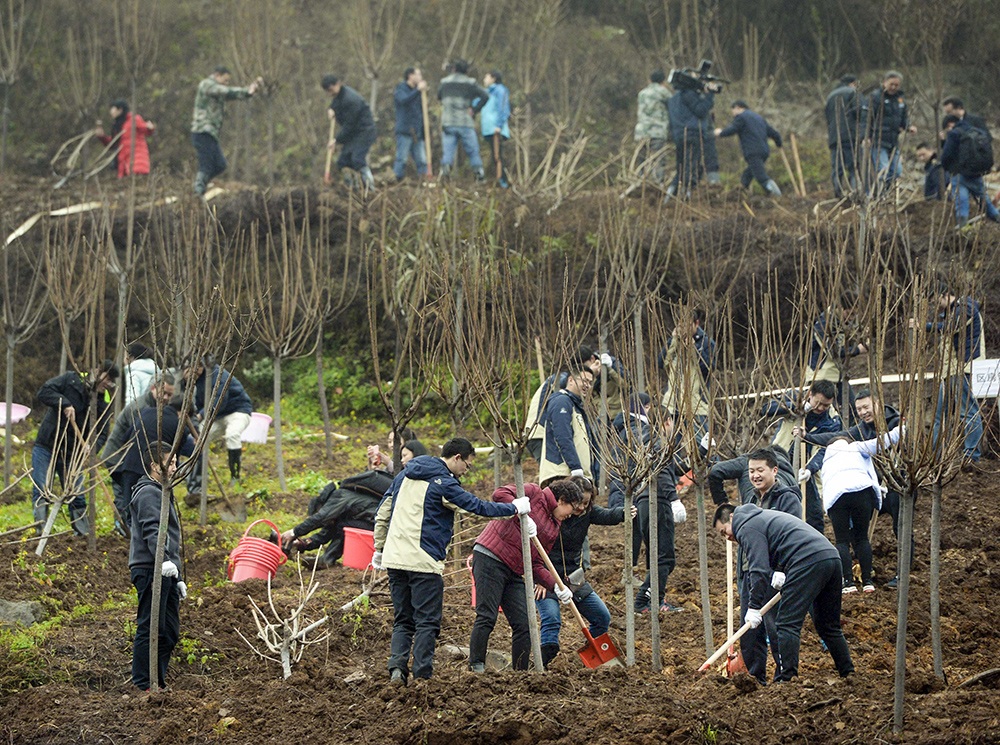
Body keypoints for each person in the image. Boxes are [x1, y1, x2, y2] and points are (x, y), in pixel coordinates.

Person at [373, 437, 530, 686]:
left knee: (403, 619)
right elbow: (476, 506)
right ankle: (422, 675)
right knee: (427, 621)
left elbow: (383, 512)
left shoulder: (403, 476)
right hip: (423, 561)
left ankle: (397, 670)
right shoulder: (443, 483)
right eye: (467, 465)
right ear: (457, 458)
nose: (466, 471)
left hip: (394, 559)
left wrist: (379, 549)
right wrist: (513, 509)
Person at [713, 503, 854, 682]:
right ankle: (848, 673)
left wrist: (754, 606)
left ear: (732, 517)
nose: (728, 537)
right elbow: (783, 541)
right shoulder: (762, 517)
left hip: (806, 560)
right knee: (828, 625)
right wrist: (779, 569)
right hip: (831, 557)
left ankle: (787, 680)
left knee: (787, 623)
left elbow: (759, 569)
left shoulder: (745, 526)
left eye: (724, 531)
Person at [467, 478, 584, 672]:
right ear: (562, 500)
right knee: (487, 615)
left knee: (525, 624)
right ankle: (476, 666)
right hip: (490, 557)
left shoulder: (554, 526)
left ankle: (520, 673)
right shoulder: (533, 492)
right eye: (571, 508)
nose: (570, 515)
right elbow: (499, 494)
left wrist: (554, 585)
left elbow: (536, 562)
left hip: (514, 570)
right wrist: (518, 508)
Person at [799, 389, 908, 588]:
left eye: (866, 407)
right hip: (872, 487)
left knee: (900, 528)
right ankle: (864, 574)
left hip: (900, 484)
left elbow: (891, 440)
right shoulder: (858, 434)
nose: (863, 412)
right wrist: (809, 437)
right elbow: (838, 437)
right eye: (859, 409)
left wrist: (904, 430)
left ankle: (902, 574)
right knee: (858, 531)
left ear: (878, 403)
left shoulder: (896, 422)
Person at [535, 475, 631, 668]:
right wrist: (539, 578)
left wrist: (625, 511)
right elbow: (532, 546)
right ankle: (545, 666)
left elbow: (607, 515)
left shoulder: (587, 513)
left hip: (573, 578)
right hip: (545, 576)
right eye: (578, 503)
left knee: (602, 617)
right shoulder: (551, 514)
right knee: (552, 620)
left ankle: (590, 658)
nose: (580, 508)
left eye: (586, 503)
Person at [608, 395, 686, 614]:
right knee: (664, 557)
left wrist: (703, 450)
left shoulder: (645, 440)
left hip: (644, 502)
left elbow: (673, 468)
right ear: (667, 422)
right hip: (657, 502)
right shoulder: (658, 442)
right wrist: (674, 499)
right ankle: (647, 601)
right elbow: (660, 474)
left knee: (656, 555)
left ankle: (651, 600)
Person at [31, 361, 119, 535]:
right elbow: (44, 392)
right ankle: (40, 530)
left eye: (110, 381)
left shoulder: (103, 402)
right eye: (106, 377)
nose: (107, 383)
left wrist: (91, 446)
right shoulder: (71, 380)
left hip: (73, 454)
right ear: (96, 370)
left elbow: (101, 433)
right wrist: (63, 403)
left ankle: (82, 532)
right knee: (41, 488)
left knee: (76, 494)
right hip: (47, 445)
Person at [128, 441, 185, 691]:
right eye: (170, 463)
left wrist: (178, 574)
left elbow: (168, 536)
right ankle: (144, 683)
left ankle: (158, 681)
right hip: (150, 568)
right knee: (151, 627)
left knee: (169, 631)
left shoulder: (162, 491)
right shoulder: (148, 493)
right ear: (154, 465)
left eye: (175, 462)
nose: (174, 467)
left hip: (165, 567)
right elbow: (154, 530)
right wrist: (162, 561)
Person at [821, 426, 903, 595]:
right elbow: (881, 442)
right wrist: (901, 429)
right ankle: (867, 581)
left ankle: (848, 582)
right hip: (862, 492)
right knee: (862, 538)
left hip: (837, 496)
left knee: (842, 541)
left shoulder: (827, 461)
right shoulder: (856, 447)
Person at [910, 284, 985, 463]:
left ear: (944, 295)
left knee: (967, 413)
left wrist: (924, 325)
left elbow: (951, 327)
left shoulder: (966, 307)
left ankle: (971, 457)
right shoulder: (952, 312)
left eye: (936, 299)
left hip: (962, 368)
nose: (935, 304)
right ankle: (936, 456)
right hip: (948, 372)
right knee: (938, 415)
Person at [102, 372, 177, 535]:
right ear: (152, 388)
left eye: (169, 395)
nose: (165, 398)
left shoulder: (157, 407)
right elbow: (137, 440)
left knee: (133, 492)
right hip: (118, 456)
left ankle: (129, 528)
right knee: (125, 494)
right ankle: (124, 528)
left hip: (132, 456)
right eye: (163, 393)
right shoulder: (140, 407)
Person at [763, 380, 841, 532]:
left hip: (806, 466)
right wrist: (797, 408)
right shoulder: (794, 398)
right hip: (780, 459)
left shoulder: (832, 419)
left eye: (825, 405)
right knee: (777, 505)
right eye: (817, 403)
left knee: (814, 514)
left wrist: (810, 469)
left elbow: (825, 447)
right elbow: (766, 409)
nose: (820, 408)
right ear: (810, 394)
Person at [280, 467, 396, 568]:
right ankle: (325, 559)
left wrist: (294, 532)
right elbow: (326, 532)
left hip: (383, 525)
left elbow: (320, 518)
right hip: (377, 523)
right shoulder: (342, 503)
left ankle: (327, 559)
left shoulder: (340, 496)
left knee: (343, 526)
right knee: (340, 524)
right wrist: (303, 543)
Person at [190, 65, 262, 196]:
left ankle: (200, 184)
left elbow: (234, 94)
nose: (227, 83)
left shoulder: (218, 89)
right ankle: (198, 191)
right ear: (217, 75)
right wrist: (247, 90)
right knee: (206, 164)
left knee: (220, 165)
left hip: (211, 133)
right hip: (202, 131)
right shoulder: (207, 85)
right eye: (225, 80)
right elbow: (225, 91)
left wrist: (249, 91)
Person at [184, 358, 252, 490]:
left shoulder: (218, 374)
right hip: (217, 417)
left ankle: (235, 477)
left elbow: (219, 400)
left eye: (196, 367)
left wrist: (201, 415)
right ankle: (197, 482)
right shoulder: (195, 380)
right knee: (199, 439)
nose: (193, 371)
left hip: (237, 410)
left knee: (232, 434)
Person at [524, 347, 602, 461]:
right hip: (541, 432)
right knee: (556, 474)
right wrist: (589, 372)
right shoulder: (560, 377)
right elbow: (562, 383)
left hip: (542, 432)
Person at [117, 398, 195, 507]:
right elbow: (174, 456)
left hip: (130, 466)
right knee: (153, 508)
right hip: (153, 473)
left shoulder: (146, 411)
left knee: (129, 508)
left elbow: (125, 438)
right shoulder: (178, 426)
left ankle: (125, 524)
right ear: (184, 414)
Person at [659, 308, 716, 448]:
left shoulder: (706, 343)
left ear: (696, 323)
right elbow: (661, 363)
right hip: (672, 404)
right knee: (670, 448)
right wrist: (673, 341)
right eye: (680, 325)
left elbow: (708, 368)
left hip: (697, 405)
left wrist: (693, 349)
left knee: (703, 446)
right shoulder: (673, 342)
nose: (683, 328)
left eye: (687, 324)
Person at [538, 364, 598, 486]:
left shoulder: (576, 406)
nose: (588, 385)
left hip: (576, 475)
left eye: (590, 382)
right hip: (563, 475)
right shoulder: (562, 401)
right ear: (571, 379)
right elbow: (562, 435)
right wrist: (575, 467)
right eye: (584, 380)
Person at [806, 306, 867, 425]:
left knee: (851, 411)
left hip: (837, 375)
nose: (851, 318)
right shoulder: (823, 324)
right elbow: (833, 351)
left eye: (854, 315)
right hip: (821, 375)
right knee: (821, 411)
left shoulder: (842, 324)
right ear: (840, 309)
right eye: (850, 313)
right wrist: (857, 350)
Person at [939, 114, 999, 228]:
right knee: (985, 201)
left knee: (961, 203)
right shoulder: (976, 131)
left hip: (959, 175)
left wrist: (947, 167)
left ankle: (963, 229)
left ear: (949, 125)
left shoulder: (954, 134)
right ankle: (997, 217)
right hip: (976, 173)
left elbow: (946, 156)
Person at [714, 100, 782, 196]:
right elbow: (773, 133)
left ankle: (776, 194)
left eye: (733, 111)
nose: (733, 114)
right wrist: (779, 143)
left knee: (761, 177)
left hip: (752, 151)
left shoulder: (741, 117)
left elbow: (733, 129)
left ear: (738, 108)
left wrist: (720, 133)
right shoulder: (759, 118)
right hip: (764, 151)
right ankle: (741, 189)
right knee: (749, 172)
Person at [322, 75, 377, 191]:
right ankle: (352, 188)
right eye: (328, 91)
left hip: (364, 131)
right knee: (343, 161)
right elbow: (335, 105)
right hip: (353, 133)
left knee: (357, 159)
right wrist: (331, 110)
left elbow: (349, 125)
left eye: (331, 90)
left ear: (337, 84)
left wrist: (336, 140)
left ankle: (370, 187)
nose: (330, 93)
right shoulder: (339, 95)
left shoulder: (351, 99)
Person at [437, 60, 489, 180]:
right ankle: (479, 174)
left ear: (454, 69)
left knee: (448, 151)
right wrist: (475, 109)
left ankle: (445, 172)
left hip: (448, 121)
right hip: (465, 122)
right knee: (472, 150)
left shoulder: (444, 82)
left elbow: (439, 96)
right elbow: (485, 96)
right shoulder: (470, 83)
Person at [666, 79, 718, 199]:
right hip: (692, 133)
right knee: (691, 164)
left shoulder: (673, 99)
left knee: (681, 165)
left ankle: (671, 192)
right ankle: (687, 192)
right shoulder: (689, 94)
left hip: (678, 134)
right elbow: (701, 110)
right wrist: (709, 95)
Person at [867, 71, 917, 195]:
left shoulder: (900, 99)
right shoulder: (876, 97)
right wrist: (866, 136)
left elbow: (903, 117)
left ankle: (887, 191)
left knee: (897, 171)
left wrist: (908, 126)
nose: (894, 87)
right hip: (879, 140)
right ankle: (880, 195)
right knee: (883, 169)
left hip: (893, 141)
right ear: (884, 83)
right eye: (891, 84)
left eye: (897, 85)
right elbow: (867, 119)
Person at [825, 75, 866, 198]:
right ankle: (855, 194)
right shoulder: (853, 93)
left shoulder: (830, 96)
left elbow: (827, 118)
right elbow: (860, 113)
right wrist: (863, 134)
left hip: (834, 138)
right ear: (853, 83)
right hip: (850, 136)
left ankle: (838, 193)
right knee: (854, 166)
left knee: (837, 168)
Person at [95, 99, 155, 178]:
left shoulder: (134, 119)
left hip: (138, 161)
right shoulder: (119, 125)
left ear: (120, 110)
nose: (111, 112)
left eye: (113, 109)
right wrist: (102, 137)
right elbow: (113, 143)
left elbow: (145, 129)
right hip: (124, 162)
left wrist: (150, 128)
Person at [633, 70, 671, 186]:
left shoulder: (642, 93)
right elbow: (672, 107)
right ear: (663, 81)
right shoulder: (664, 92)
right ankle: (658, 182)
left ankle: (639, 181)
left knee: (641, 159)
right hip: (657, 131)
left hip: (641, 131)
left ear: (649, 80)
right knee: (658, 158)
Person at [392, 67, 429, 182]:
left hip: (417, 131)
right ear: (410, 76)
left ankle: (423, 180)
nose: (420, 77)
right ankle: (397, 180)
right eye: (418, 74)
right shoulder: (401, 89)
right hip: (405, 130)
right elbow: (403, 101)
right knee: (402, 158)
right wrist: (417, 91)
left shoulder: (419, 93)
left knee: (422, 159)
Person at [478, 70, 511, 189]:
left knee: (498, 156)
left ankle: (503, 182)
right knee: (494, 155)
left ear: (493, 78)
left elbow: (503, 108)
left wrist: (499, 125)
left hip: (496, 128)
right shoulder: (486, 92)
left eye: (486, 77)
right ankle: (499, 181)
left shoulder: (500, 90)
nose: (484, 79)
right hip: (488, 129)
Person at [122, 342, 158, 406]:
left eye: (124, 356)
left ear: (130, 357)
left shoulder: (133, 374)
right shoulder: (157, 373)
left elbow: (132, 400)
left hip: (141, 413)